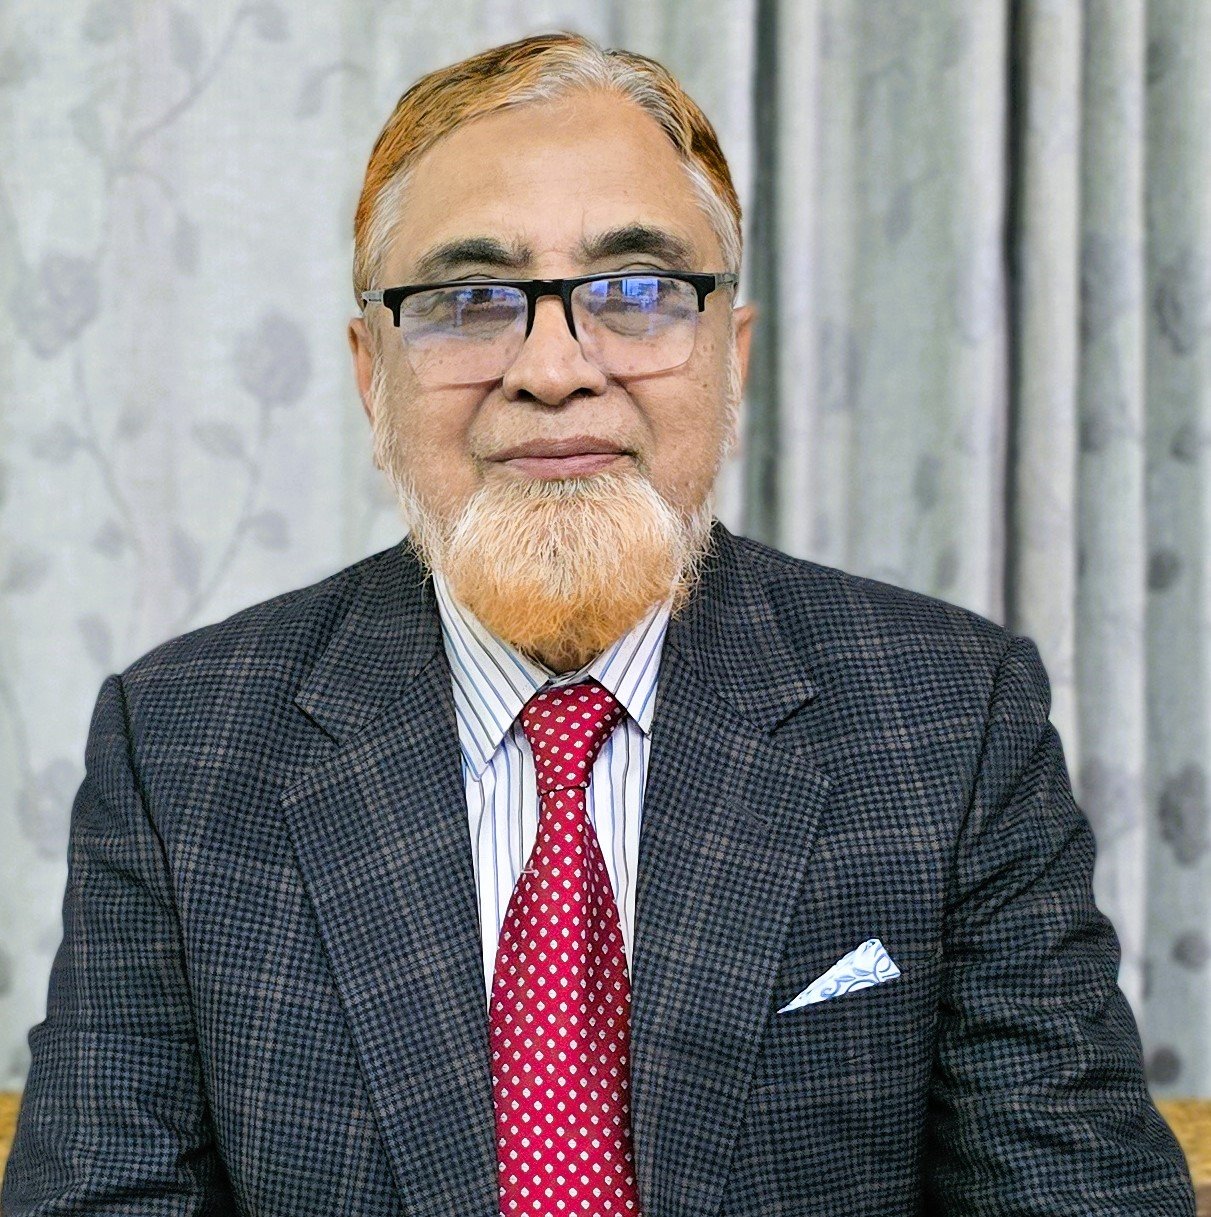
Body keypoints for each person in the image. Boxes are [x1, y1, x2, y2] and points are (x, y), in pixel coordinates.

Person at [2, 30, 1197, 1217]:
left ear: (729, 356)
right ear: (372, 373)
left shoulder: (950, 715)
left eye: (633, 292)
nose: (554, 367)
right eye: (470, 301)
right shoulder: (178, 743)